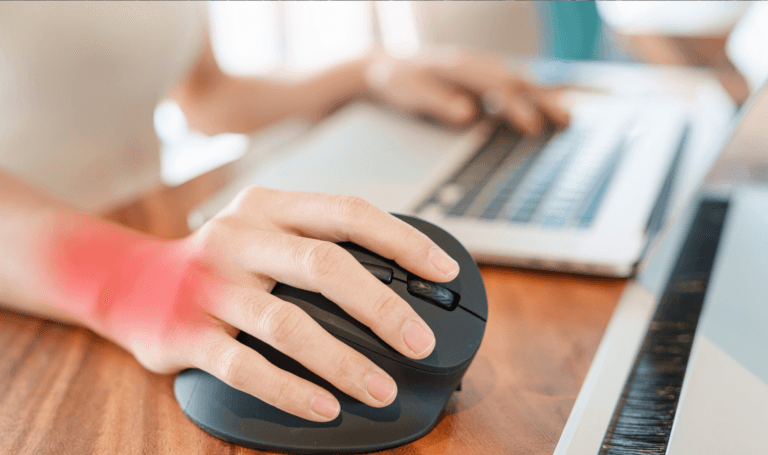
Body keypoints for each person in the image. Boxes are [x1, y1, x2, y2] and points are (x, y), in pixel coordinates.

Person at [0, 2, 567, 422]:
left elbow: (207, 94)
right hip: (36, 302)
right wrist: (129, 280)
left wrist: (368, 71)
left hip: (156, 223)